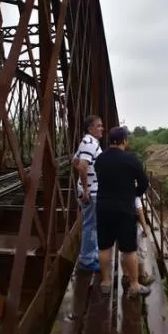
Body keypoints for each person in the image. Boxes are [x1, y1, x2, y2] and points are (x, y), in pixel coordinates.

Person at [93, 126, 151, 296]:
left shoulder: (100, 159)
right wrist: (134, 193)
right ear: (124, 141)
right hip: (124, 209)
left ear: (110, 140)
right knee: (129, 249)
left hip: (103, 207)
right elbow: (144, 182)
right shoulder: (130, 159)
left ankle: (105, 282)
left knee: (104, 247)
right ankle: (134, 285)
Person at [73, 115, 103, 273]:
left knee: (92, 224)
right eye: (98, 126)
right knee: (90, 226)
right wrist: (86, 189)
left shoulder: (86, 141)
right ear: (90, 128)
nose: (102, 128)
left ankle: (93, 253)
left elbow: (75, 161)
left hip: (90, 190)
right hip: (91, 193)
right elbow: (82, 166)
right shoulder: (90, 143)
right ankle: (87, 260)